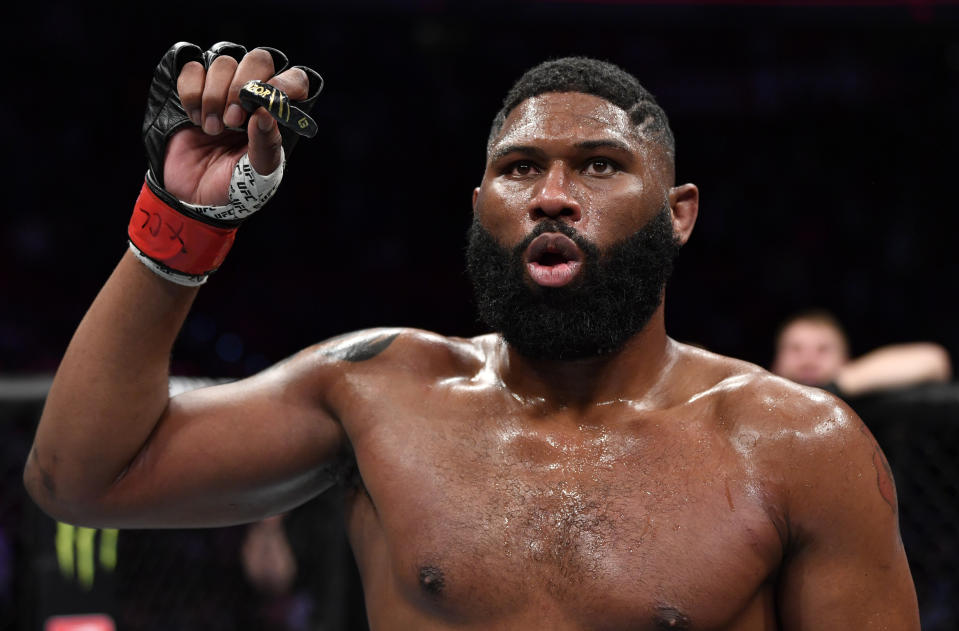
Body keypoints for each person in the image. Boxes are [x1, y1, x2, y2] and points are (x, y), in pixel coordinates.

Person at [25, 41, 920, 629]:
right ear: (480, 206)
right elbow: (80, 476)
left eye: (599, 166)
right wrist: (182, 220)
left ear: (678, 213)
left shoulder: (797, 446)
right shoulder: (380, 391)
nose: (552, 193)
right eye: (519, 168)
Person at [772, 309, 952, 397]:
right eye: (795, 349)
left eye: (823, 350)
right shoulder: (757, 409)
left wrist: (837, 386)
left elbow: (934, 360)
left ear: (845, 361)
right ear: (775, 364)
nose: (809, 360)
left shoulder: (857, 394)